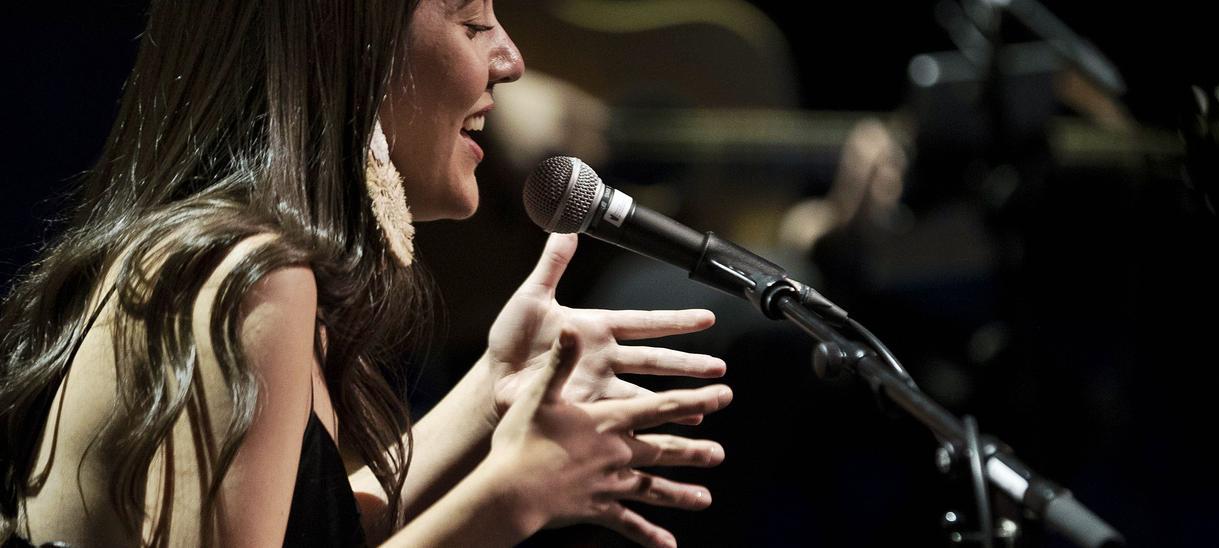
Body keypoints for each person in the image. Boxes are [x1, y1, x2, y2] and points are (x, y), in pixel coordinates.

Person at [0, 1, 731, 546]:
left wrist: (492, 390)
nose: (509, 60)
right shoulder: (248, 275)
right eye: (473, 22)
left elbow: (318, 534)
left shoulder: (242, 261)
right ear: (354, 48)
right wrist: (509, 497)